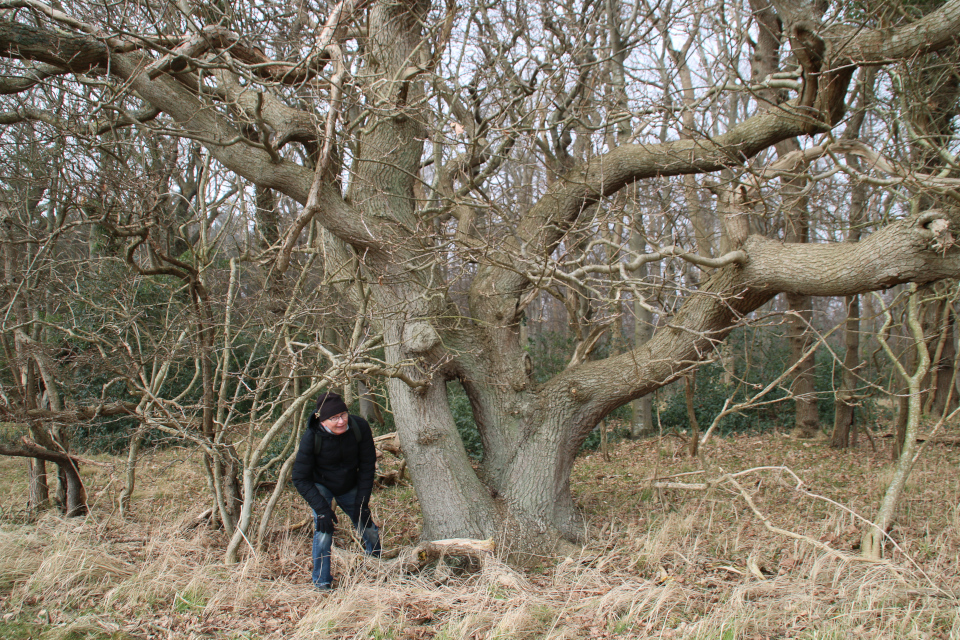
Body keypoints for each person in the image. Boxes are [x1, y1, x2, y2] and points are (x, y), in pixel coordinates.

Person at [292, 391, 381, 590]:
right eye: (334, 418)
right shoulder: (312, 437)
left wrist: (362, 502)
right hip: (321, 484)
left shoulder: (360, 427)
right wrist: (322, 510)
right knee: (323, 532)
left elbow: (367, 465)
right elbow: (299, 477)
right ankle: (322, 582)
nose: (341, 421)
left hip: (349, 483)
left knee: (367, 525)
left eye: (343, 415)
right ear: (322, 420)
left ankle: (377, 564)